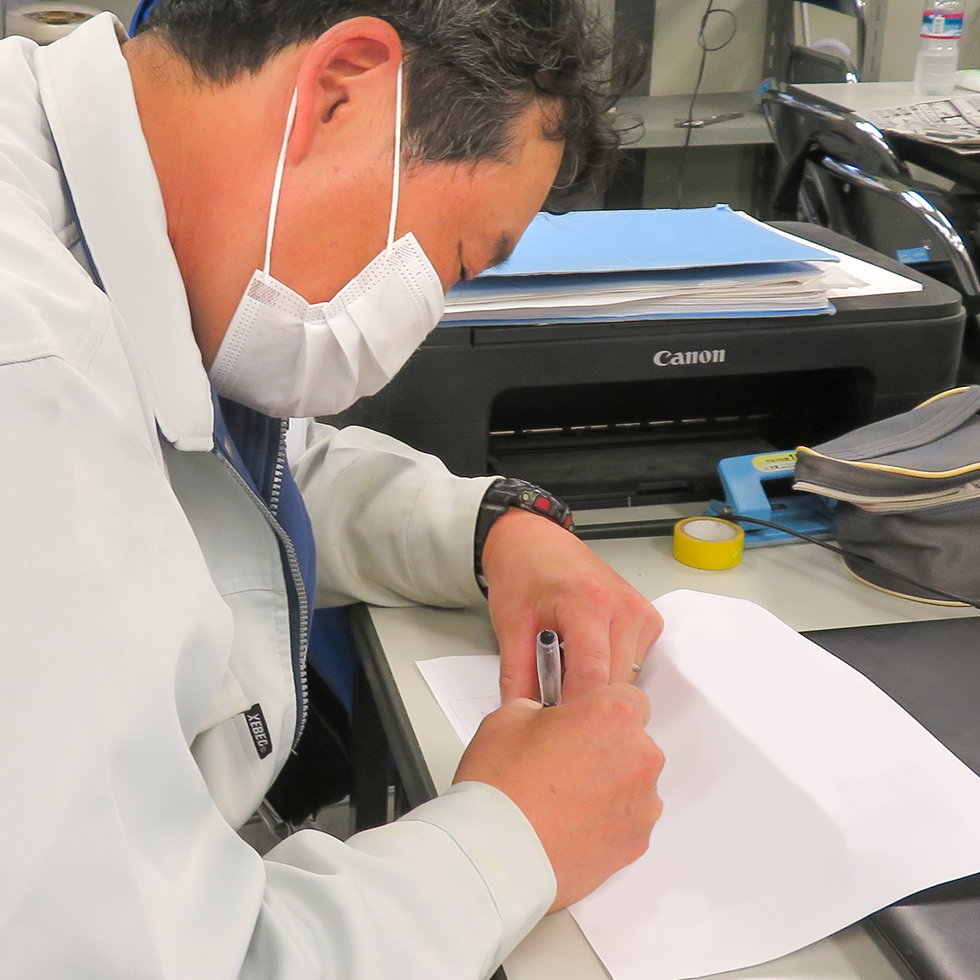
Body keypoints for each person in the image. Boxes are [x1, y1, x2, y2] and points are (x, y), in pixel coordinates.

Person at [0, 0, 665, 975]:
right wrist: (510, 840)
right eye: (455, 261)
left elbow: (225, 461)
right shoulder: (30, 378)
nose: (425, 315)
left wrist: (490, 528)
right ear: (342, 88)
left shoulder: (69, 189)